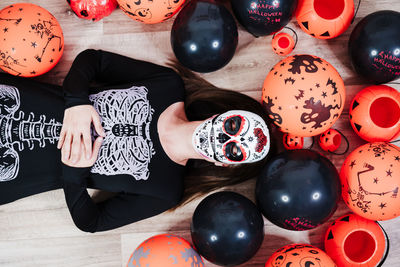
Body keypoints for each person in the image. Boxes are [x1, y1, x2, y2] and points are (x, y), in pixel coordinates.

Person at [0, 49, 275, 233]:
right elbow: (92, 60)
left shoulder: (164, 190)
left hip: (17, 169)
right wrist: (76, 103)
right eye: (234, 126)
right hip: (16, 101)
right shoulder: (167, 85)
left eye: (235, 150)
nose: (225, 137)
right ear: (222, 114)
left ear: (223, 163)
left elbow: (91, 222)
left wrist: (73, 173)